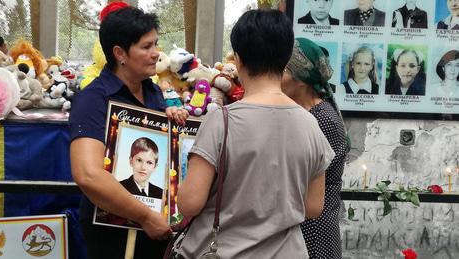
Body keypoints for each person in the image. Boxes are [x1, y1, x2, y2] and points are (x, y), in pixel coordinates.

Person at [176, 9, 335, 258]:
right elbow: (313, 207)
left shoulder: (221, 120)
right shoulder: (310, 124)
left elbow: (190, 202)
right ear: (285, 61)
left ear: (238, 60)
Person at [69, 5, 188, 259]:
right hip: (114, 238)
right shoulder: (93, 99)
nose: (156, 54)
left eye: (156, 44)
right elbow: (88, 175)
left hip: (158, 233)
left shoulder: (156, 93)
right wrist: (144, 215)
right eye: (146, 47)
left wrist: (176, 126)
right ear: (120, 53)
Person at [282, 37, 348, 259]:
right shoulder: (306, 113)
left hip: (313, 236)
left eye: (282, 70)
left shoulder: (322, 121)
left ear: (301, 78)